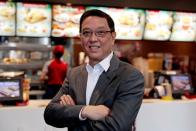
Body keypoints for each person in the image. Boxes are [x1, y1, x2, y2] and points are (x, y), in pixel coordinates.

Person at [44, 9, 144, 131]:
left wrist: (73, 114)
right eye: (86, 33)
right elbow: (50, 113)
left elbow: (116, 127)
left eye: (100, 32)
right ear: (80, 37)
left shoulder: (130, 76)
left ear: (113, 37)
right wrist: (85, 111)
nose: (92, 39)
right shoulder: (74, 74)